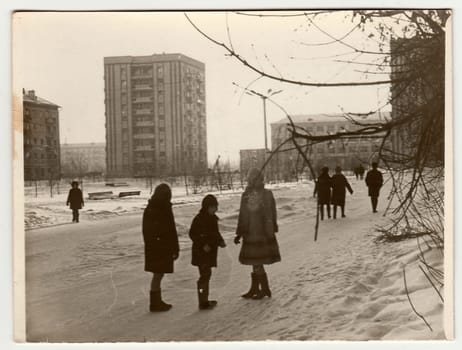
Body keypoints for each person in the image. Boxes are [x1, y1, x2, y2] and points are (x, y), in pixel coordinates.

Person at [234, 168, 280, 299]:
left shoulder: (265, 194)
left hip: (260, 232)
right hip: (251, 232)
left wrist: (272, 227)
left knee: (257, 261)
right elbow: (243, 215)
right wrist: (240, 232)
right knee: (255, 262)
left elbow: (272, 212)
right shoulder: (247, 194)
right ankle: (257, 288)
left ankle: (264, 289)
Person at [142, 184, 179, 312]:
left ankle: (156, 301)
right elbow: (167, 230)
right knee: (158, 274)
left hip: (158, 246)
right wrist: (172, 247)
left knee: (159, 273)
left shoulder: (156, 207)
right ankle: (155, 303)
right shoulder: (159, 208)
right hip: (160, 247)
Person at [189, 195, 226, 310]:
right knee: (204, 276)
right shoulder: (199, 219)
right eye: (213, 207)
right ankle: (202, 301)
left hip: (209, 252)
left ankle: (204, 299)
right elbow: (193, 234)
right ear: (206, 207)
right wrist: (203, 244)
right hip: (201, 253)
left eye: (216, 207)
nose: (215, 209)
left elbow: (215, 233)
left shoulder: (212, 218)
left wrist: (220, 241)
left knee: (206, 275)